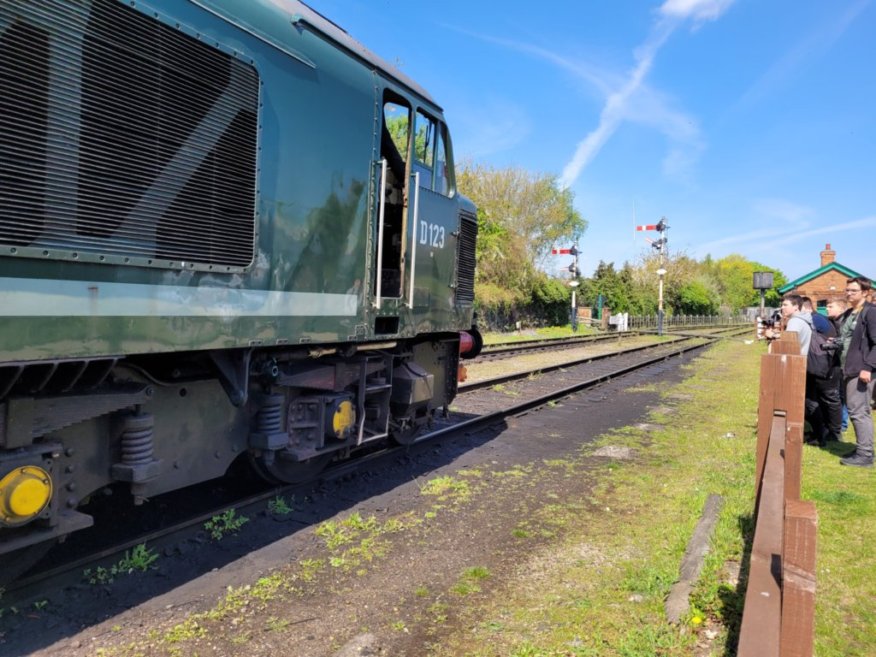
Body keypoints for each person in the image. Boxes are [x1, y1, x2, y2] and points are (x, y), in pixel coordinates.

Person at [837, 277, 876, 467]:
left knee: (859, 411)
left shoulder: (871, 312)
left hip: (861, 369)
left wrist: (868, 367)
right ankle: (863, 448)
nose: (849, 293)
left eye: (853, 291)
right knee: (856, 409)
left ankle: (865, 455)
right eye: (847, 290)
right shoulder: (851, 312)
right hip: (849, 367)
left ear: (865, 292)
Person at [801, 297, 842, 445]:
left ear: (804, 308)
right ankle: (823, 429)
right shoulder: (816, 319)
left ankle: (835, 433)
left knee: (830, 398)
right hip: (820, 364)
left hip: (826, 364)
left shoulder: (815, 319)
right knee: (816, 399)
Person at [826, 297, 850, 432]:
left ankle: (843, 423)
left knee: (842, 394)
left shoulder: (843, 322)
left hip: (844, 363)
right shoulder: (833, 321)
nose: (827, 309)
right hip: (837, 362)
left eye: (831, 307)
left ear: (841, 308)